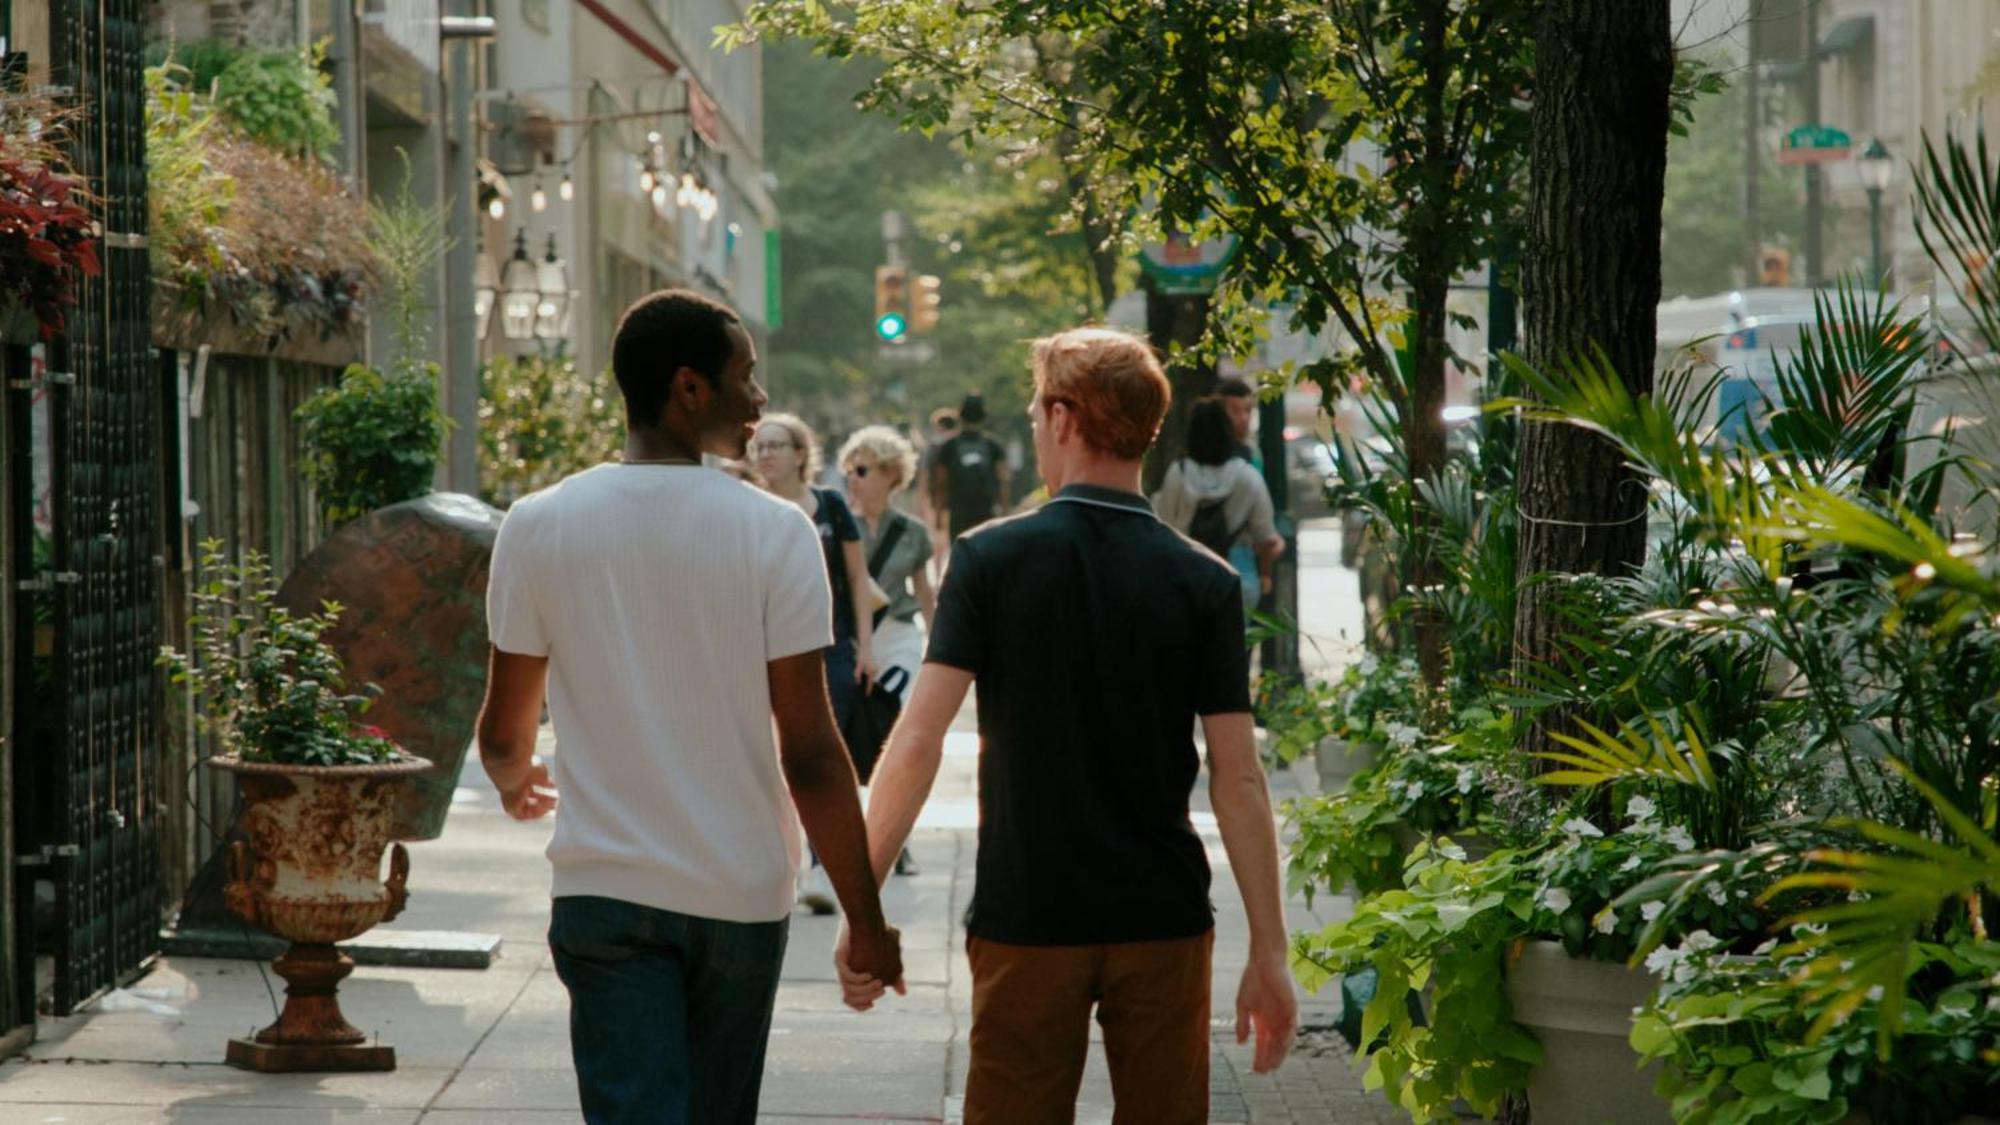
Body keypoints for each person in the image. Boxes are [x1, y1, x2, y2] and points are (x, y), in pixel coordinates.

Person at [839, 327, 1298, 1123]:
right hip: (1163, 918)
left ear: (1060, 418)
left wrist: (864, 905)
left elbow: (916, 739)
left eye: (1032, 417)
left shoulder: (988, 560)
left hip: (1029, 913)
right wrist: (1270, 948)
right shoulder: (1207, 581)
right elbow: (1239, 775)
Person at [475, 289, 902, 1125]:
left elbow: (501, 730)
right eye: (746, 375)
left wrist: (515, 776)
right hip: (739, 894)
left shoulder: (536, 524)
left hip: (603, 890)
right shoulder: (776, 535)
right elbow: (812, 752)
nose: (761, 398)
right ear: (690, 388)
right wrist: (866, 916)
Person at [839, 424, 937, 877]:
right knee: (849, 735)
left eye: (862, 470)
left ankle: (899, 840)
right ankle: (850, 835)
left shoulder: (913, 533)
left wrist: (942, 651)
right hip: (853, 640)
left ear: (890, 474)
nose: (852, 479)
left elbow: (925, 593)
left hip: (899, 638)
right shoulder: (840, 525)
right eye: (849, 471)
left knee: (897, 737)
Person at [1154, 398, 1284, 613]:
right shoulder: (1248, 476)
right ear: (1228, 432)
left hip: (1185, 575)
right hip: (1238, 574)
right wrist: (1265, 574)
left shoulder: (1178, 474)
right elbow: (1267, 538)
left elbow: (1163, 526)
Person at [927, 391, 1010, 542]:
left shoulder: (949, 446)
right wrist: (1004, 511)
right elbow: (1003, 480)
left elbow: (941, 483)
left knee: (960, 555)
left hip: (958, 513)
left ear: (961, 416)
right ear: (983, 416)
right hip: (986, 512)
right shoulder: (993, 446)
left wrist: (939, 514)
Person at [1214, 376, 1263, 469]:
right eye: (1235, 411)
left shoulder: (1253, 451)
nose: (1244, 418)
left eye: (1248, 410)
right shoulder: (1209, 454)